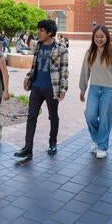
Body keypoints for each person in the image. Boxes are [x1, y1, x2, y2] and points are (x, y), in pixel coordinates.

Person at [14, 19, 69, 159]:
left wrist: (63, 90)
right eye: (38, 29)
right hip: (36, 88)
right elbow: (34, 66)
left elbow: (64, 71)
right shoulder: (38, 46)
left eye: (42, 30)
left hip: (52, 89)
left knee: (53, 116)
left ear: (50, 32)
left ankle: (52, 143)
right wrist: (28, 77)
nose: (38, 32)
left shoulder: (61, 48)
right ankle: (28, 148)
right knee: (31, 116)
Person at [79, 25, 112, 159]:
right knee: (90, 115)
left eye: (102, 36)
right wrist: (83, 89)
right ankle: (96, 138)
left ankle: (102, 147)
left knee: (105, 119)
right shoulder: (90, 52)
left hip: (110, 90)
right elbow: (85, 72)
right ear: (93, 38)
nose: (99, 39)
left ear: (107, 37)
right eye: (96, 37)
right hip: (94, 89)